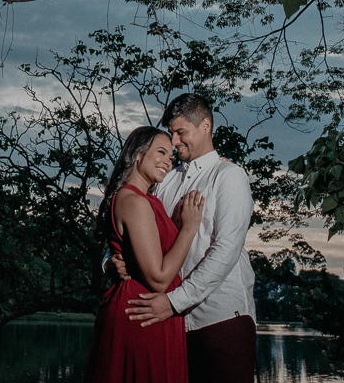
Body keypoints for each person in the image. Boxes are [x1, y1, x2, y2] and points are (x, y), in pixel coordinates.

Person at [118, 93, 257, 383]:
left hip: (222, 319)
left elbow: (227, 249)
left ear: (205, 126)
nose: (175, 141)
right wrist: (111, 260)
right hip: (173, 327)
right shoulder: (166, 181)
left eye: (181, 132)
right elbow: (132, 223)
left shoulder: (229, 175)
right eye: (171, 133)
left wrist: (173, 301)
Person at [84, 125, 206, 383]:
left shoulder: (149, 200)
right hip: (142, 312)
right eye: (160, 152)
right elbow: (158, 279)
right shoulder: (134, 201)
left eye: (171, 157)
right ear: (138, 154)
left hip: (152, 312)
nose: (167, 161)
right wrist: (190, 228)